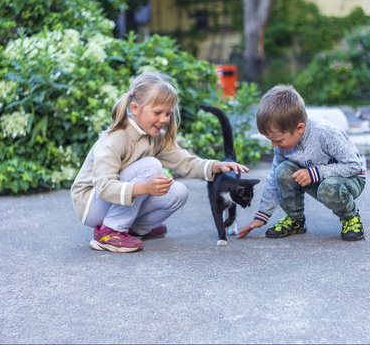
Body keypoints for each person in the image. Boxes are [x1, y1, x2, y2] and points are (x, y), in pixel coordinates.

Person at [71, 71, 249, 253]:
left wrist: (215, 166)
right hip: (91, 204)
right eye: (157, 112)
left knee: (179, 192)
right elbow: (103, 186)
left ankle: (135, 229)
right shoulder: (115, 139)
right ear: (134, 108)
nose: (164, 119)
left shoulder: (154, 137)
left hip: (112, 202)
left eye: (167, 114)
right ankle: (110, 232)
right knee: (152, 165)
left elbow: (183, 161)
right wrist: (144, 188)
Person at [238, 84, 367, 241]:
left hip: (351, 178)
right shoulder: (283, 144)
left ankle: (350, 218)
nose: (274, 145)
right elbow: (274, 177)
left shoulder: (326, 133)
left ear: (299, 128)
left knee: (328, 188)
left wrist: (314, 173)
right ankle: (295, 220)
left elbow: (353, 166)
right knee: (282, 170)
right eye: (270, 140)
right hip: (316, 176)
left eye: (277, 140)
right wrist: (262, 215)